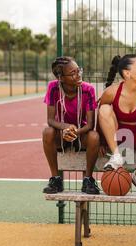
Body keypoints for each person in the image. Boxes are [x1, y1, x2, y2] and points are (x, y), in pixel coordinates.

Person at [98, 54, 136, 196]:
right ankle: (116, 156)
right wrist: (101, 141)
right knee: (104, 108)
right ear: (127, 73)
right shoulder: (111, 92)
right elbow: (101, 117)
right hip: (117, 136)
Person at [42, 56, 101, 194]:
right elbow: (50, 120)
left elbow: (90, 124)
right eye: (73, 73)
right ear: (61, 78)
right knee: (47, 132)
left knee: (94, 136)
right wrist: (66, 128)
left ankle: (88, 180)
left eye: (78, 70)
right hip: (62, 134)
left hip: (81, 134)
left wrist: (74, 132)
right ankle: (56, 180)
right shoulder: (53, 87)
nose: (78, 74)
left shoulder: (88, 89)